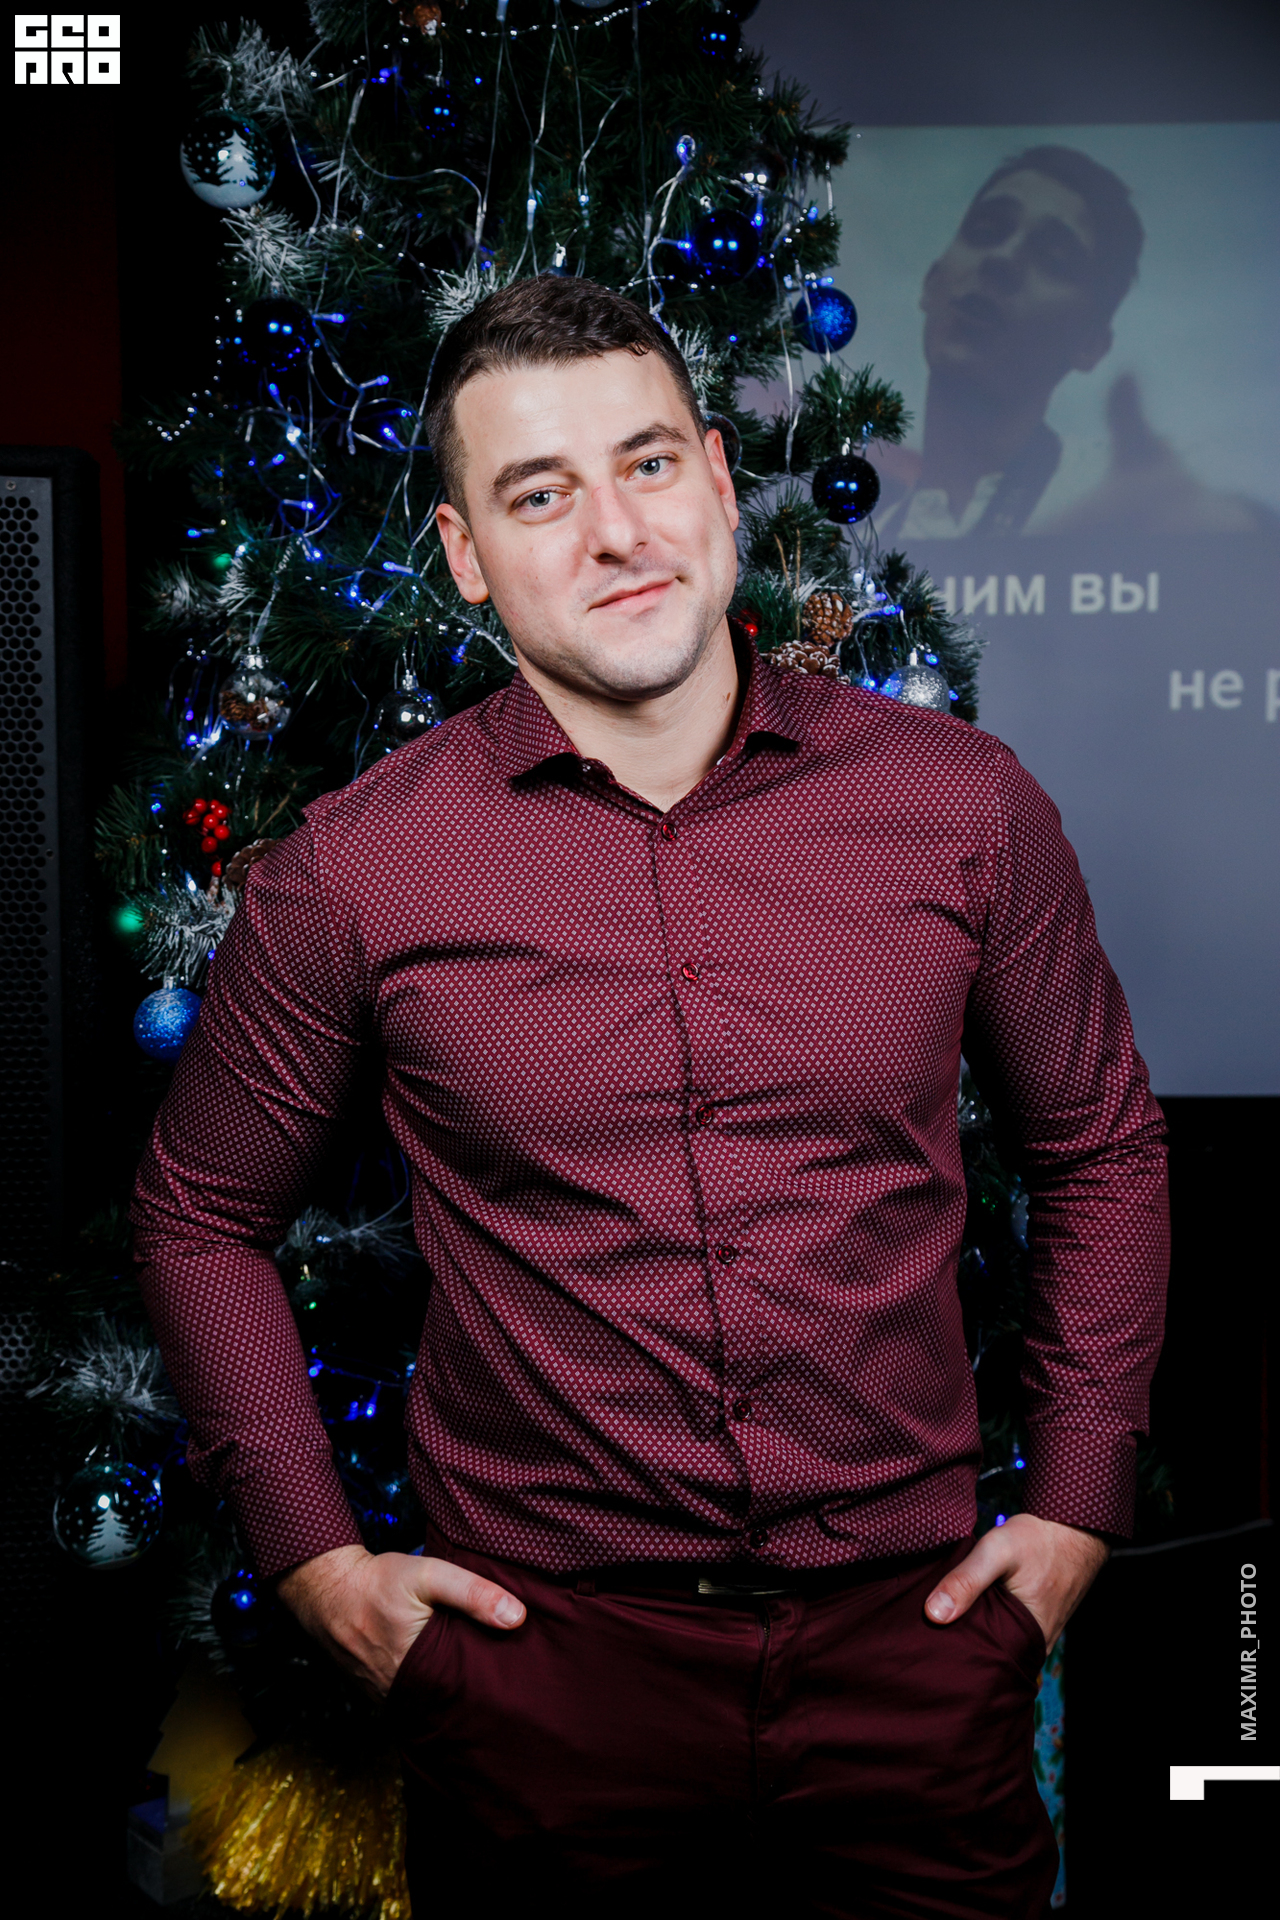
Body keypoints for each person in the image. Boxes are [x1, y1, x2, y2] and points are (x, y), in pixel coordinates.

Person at [132, 275, 1169, 1919]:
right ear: (467, 556)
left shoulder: (962, 809)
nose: (618, 533)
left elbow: (1099, 1145)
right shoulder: (357, 872)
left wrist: (1077, 1508)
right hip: (544, 1694)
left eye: (648, 464)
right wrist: (317, 1562)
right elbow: (199, 1215)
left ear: (716, 478)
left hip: (916, 1662)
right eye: (540, 494)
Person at [871, 145, 1144, 538]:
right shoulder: (872, 541)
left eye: (1053, 258)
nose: (1001, 257)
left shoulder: (1122, 508)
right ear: (932, 282)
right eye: (985, 231)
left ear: (1090, 344)